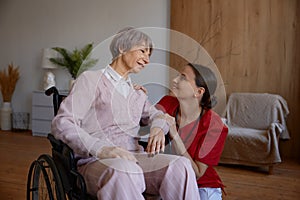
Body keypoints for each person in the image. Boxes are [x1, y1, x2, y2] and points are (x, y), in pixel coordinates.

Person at [51, 27, 200, 200]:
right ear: (122, 47)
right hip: (96, 161)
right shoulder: (90, 80)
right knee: (125, 170)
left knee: (180, 165)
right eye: (142, 51)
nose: (146, 59)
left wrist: (158, 128)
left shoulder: (137, 93)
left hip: (135, 157)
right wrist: (101, 149)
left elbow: (157, 115)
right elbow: (62, 123)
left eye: (149, 55)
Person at [156, 63, 228, 200]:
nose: (174, 80)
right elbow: (146, 119)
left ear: (198, 92)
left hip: (201, 186)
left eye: (183, 78)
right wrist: (137, 96)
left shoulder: (215, 126)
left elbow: (198, 173)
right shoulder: (167, 102)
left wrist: (174, 135)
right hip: (169, 179)